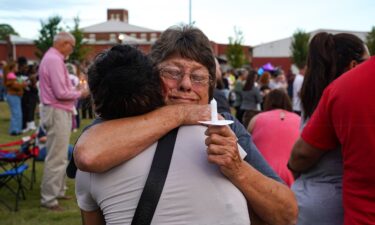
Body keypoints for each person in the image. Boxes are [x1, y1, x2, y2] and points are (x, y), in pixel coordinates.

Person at [73, 25, 297, 225]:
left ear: (210, 86)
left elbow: (287, 214)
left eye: (198, 77)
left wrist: (238, 169)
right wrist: (180, 114)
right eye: (173, 72)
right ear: (153, 78)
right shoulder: (125, 121)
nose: (186, 85)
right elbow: (88, 154)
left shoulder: (225, 126)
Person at [288, 33, 370, 224]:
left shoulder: (314, 94)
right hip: (332, 207)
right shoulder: (341, 98)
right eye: (367, 61)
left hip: (306, 200)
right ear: (353, 66)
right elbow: (301, 155)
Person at [38, 31, 89, 211]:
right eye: (72, 46)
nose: (72, 50)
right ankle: (49, 198)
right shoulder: (53, 59)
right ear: (64, 43)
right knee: (56, 156)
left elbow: (61, 89)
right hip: (57, 110)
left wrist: (74, 89)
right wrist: (80, 93)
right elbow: (60, 93)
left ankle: (57, 190)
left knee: (59, 154)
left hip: (59, 110)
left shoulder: (54, 58)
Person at [248, 89, 300, 186]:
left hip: (261, 174)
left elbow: (246, 145)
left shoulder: (256, 119)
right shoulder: (299, 120)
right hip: (292, 175)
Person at [3, 61, 27, 135]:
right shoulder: (11, 75)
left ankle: (17, 130)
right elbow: (15, 86)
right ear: (13, 68)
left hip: (15, 95)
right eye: (16, 67)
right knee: (16, 113)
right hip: (13, 95)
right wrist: (23, 84)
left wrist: (21, 84)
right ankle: (14, 131)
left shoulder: (12, 75)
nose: (17, 68)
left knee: (18, 113)